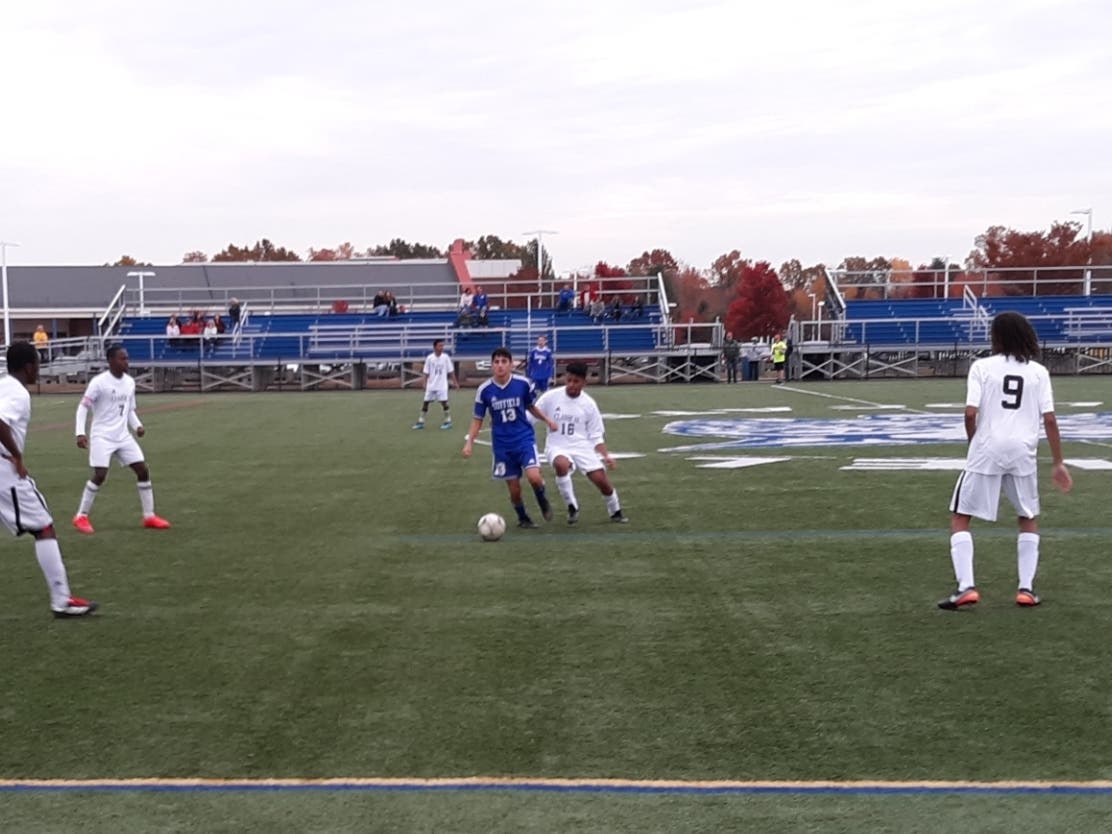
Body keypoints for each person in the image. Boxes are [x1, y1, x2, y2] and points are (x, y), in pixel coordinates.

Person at [938, 311, 1073, 611]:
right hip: (1023, 452)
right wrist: (1058, 462)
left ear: (997, 336)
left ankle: (966, 587)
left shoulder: (982, 367)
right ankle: (1025, 589)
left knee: (961, 516)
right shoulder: (1039, 372)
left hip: (987, 449)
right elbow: (1049, 419)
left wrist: (975, 443)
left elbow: (970, 413)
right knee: (1027, 517)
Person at [0, 342, 98, 618]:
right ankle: (61, 601)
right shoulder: (18, 393)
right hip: (4, 471)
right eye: (38, 364)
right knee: (44, 527)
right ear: (29, 366)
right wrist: (17, 456)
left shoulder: (3, 385)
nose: (38, 370)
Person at [72, 345, 172, 534]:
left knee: (142, 470)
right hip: (102, 435)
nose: (126, 362)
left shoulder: (129, 382)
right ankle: (81, 516)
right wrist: (80, 432)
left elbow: (128, 409)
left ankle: (149, 516)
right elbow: (83, 407)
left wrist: (137, 426)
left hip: (122, 436)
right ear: (110, 361)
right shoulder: (99, 382)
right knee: (100, 475)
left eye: (127, 358)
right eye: (122, 359)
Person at [462, 347, 558, 529]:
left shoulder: (522, 384)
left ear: (511, 364)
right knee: (514, 490)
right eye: (496, 362)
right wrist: (469, 443)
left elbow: (531, 406)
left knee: (534, 477)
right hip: (502, 446)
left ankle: (542, 499)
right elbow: (477, 420)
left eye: (504, 362)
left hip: (523, 439)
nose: (500, 366)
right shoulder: (484, 390)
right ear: (492, 365)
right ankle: (523, 518)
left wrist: (547, 420)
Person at [535, 361, 628, 525]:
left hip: (582, 446)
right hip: (557, 445)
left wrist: (606, 456)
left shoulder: (589, 405)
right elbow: (532, 414)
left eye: (575, 381)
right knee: (561, 464)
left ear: (584, 382)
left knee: (601, 481)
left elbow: (596, 435)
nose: (570, 384)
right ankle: (572, 506)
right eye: (568, 380)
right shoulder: (550, 397)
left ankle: (615, 511)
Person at [413, 339, 459, 430]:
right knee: (425, 402)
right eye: (440, 346)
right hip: (431, 385)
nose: (442, 348)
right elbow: (426, 372)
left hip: (442, 385)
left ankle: (448, 421)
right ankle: (421, 421)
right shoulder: (430, 358)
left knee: (444, 403)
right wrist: (424, 382)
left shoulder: (446, 357)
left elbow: (451, 371)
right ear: (435, 347)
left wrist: (455, 382)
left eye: (442, 346)